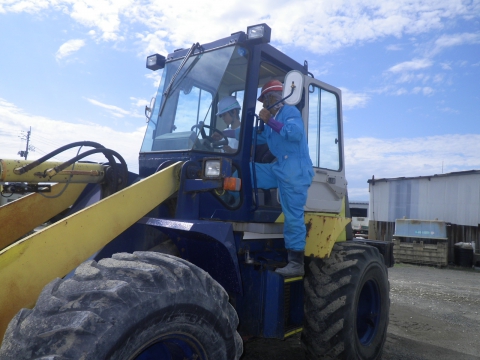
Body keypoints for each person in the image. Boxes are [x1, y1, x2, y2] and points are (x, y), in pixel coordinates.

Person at [255, 79, 314, 277]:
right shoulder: (275, 120)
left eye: (265, 100)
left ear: (275, 98)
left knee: (292, 215)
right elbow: (260, 138)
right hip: (280, 168)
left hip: (295, 171)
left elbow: (294, 133)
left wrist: (269, 120)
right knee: (248, 170)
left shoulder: (290, 112)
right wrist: (231, 134)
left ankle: (296, 263)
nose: (263, 105)